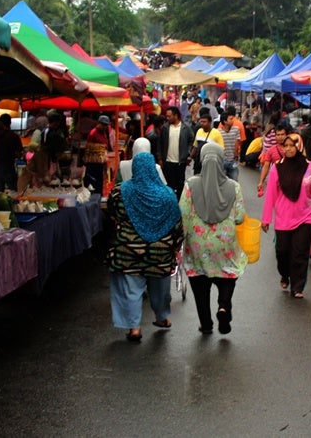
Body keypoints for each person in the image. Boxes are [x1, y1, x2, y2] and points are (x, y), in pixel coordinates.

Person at [105, 151, 184, 342]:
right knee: (160, 289)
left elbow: (111, 214)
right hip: (160, 253)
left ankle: (134, 329)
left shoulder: (120, 191)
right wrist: (175, 245)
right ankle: (162, 318)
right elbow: (177, 224)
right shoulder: (168, 194)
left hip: (128, 252)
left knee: (131, 289)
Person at [179, 142, 247, 334]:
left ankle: (206, 324)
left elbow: (182, 214)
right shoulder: (234, 187)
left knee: (200, 285)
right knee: (226, 275)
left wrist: (180, 241)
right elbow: (240, 217)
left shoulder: (190, 184)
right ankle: (223, 306)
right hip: (224, 245)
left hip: (197, 246)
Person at [260, 132, 311, 299]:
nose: (288, 149)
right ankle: (285, 274)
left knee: (300, 253)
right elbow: (271, 194)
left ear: (299, 146)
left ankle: (298, 286)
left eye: (292, 145)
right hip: (283, 218)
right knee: (282, 251)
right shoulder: (277, 168)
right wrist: (266, 219)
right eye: (285, 146)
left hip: (306, 216)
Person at [153, 106, 193, 197]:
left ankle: (179, 203)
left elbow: (192, 140)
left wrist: (188, 152)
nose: (167, 118)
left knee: (180, 184)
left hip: (180, 162)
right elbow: (160, 143)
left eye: (169, 116)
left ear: (176, 116)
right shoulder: (165, 128)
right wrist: (160, 158)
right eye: (166, 116)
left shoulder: (185, 128)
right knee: (169, 184)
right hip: (168, 162)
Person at [0, 113, 23, 192]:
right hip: (9, 166)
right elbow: (18, 154)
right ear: (10, 123)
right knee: (14, 191)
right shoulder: (14, 136)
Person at [257, 123, 292, 197]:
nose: (280, 137)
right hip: (276, 183)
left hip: (290, 183)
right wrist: (261, 182)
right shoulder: (271, 151)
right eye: (278, 135)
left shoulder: (293, 149)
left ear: (287, 135)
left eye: (282, 134)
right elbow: (266, 167)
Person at [191, 108, 224, 175]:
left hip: (210, 164)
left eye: (204, 122)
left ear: (210, 122)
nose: (202, 123)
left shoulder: (216, 133)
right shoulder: (199, 131)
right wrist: (190, 157)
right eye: (201, 122)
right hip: (198, 163)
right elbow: (195, 146)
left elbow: (221, 150)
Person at [85, 115, 112, 196]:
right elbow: (90, 147)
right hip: (93, 161)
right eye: (103, 125)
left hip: (100, 160)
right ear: (98, 123)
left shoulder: (103, 133)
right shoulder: (93, 133)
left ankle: (99, 196)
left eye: (106, 125)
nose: (105, 127)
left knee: (100, 181)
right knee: (93, 181)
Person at [218, 112, 242, 181]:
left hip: (233, 161)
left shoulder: (236, 129)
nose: (232, 120)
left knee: (234, 182)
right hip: (222, 161)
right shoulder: (218, 132)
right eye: (230, 119)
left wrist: (236, 154)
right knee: (222, 182)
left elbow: (237, 143)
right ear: (225, 121)